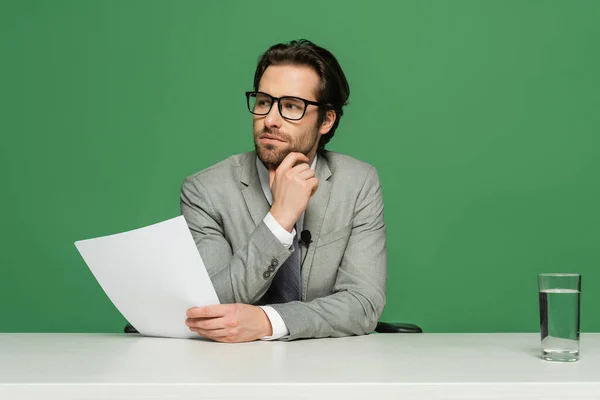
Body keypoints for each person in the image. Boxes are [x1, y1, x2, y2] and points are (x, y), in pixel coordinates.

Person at [180, 39, 387, 342]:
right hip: (231, 371)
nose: (270, 120)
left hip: (329, 368)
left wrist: (268, 321)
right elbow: (212, 307)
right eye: (264, 101)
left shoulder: (358, 184)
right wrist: (279, 220)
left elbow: (363, 304)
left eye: (291, 106)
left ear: (326, 120)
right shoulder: (205, 191)